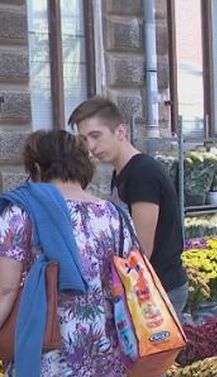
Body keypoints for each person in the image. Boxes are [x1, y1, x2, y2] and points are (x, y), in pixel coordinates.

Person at [0, 130, 139, 377]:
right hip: (103, 362)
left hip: (42, 363)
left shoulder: (21, 212)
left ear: (35, 167)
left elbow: (5, 288)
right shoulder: (115, 215)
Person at [69, 97, 188, 313]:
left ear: (121, 132)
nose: (91, 147)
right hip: (146, 287)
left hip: (157, 290)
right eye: (84, 139)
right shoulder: (122, 171)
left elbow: (142, 249)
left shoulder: (142, 173)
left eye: (96, 136)